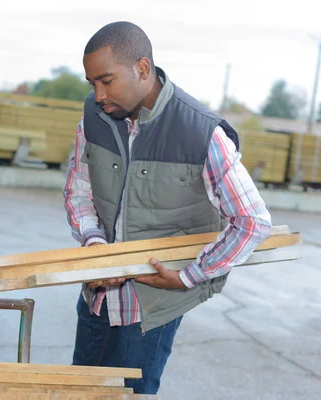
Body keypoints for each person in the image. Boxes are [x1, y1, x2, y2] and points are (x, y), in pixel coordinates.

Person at [63, 21, 272, 395]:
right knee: (79, 393)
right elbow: (79, 193)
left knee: (128, 395)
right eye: (91, 83)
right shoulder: (92, 120)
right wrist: (94, 246)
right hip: (95, 301)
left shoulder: (202, 133)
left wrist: (190, 276)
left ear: (142, 69)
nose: (97, 95)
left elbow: (251, 221)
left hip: (152, 309)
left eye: (106, 80)